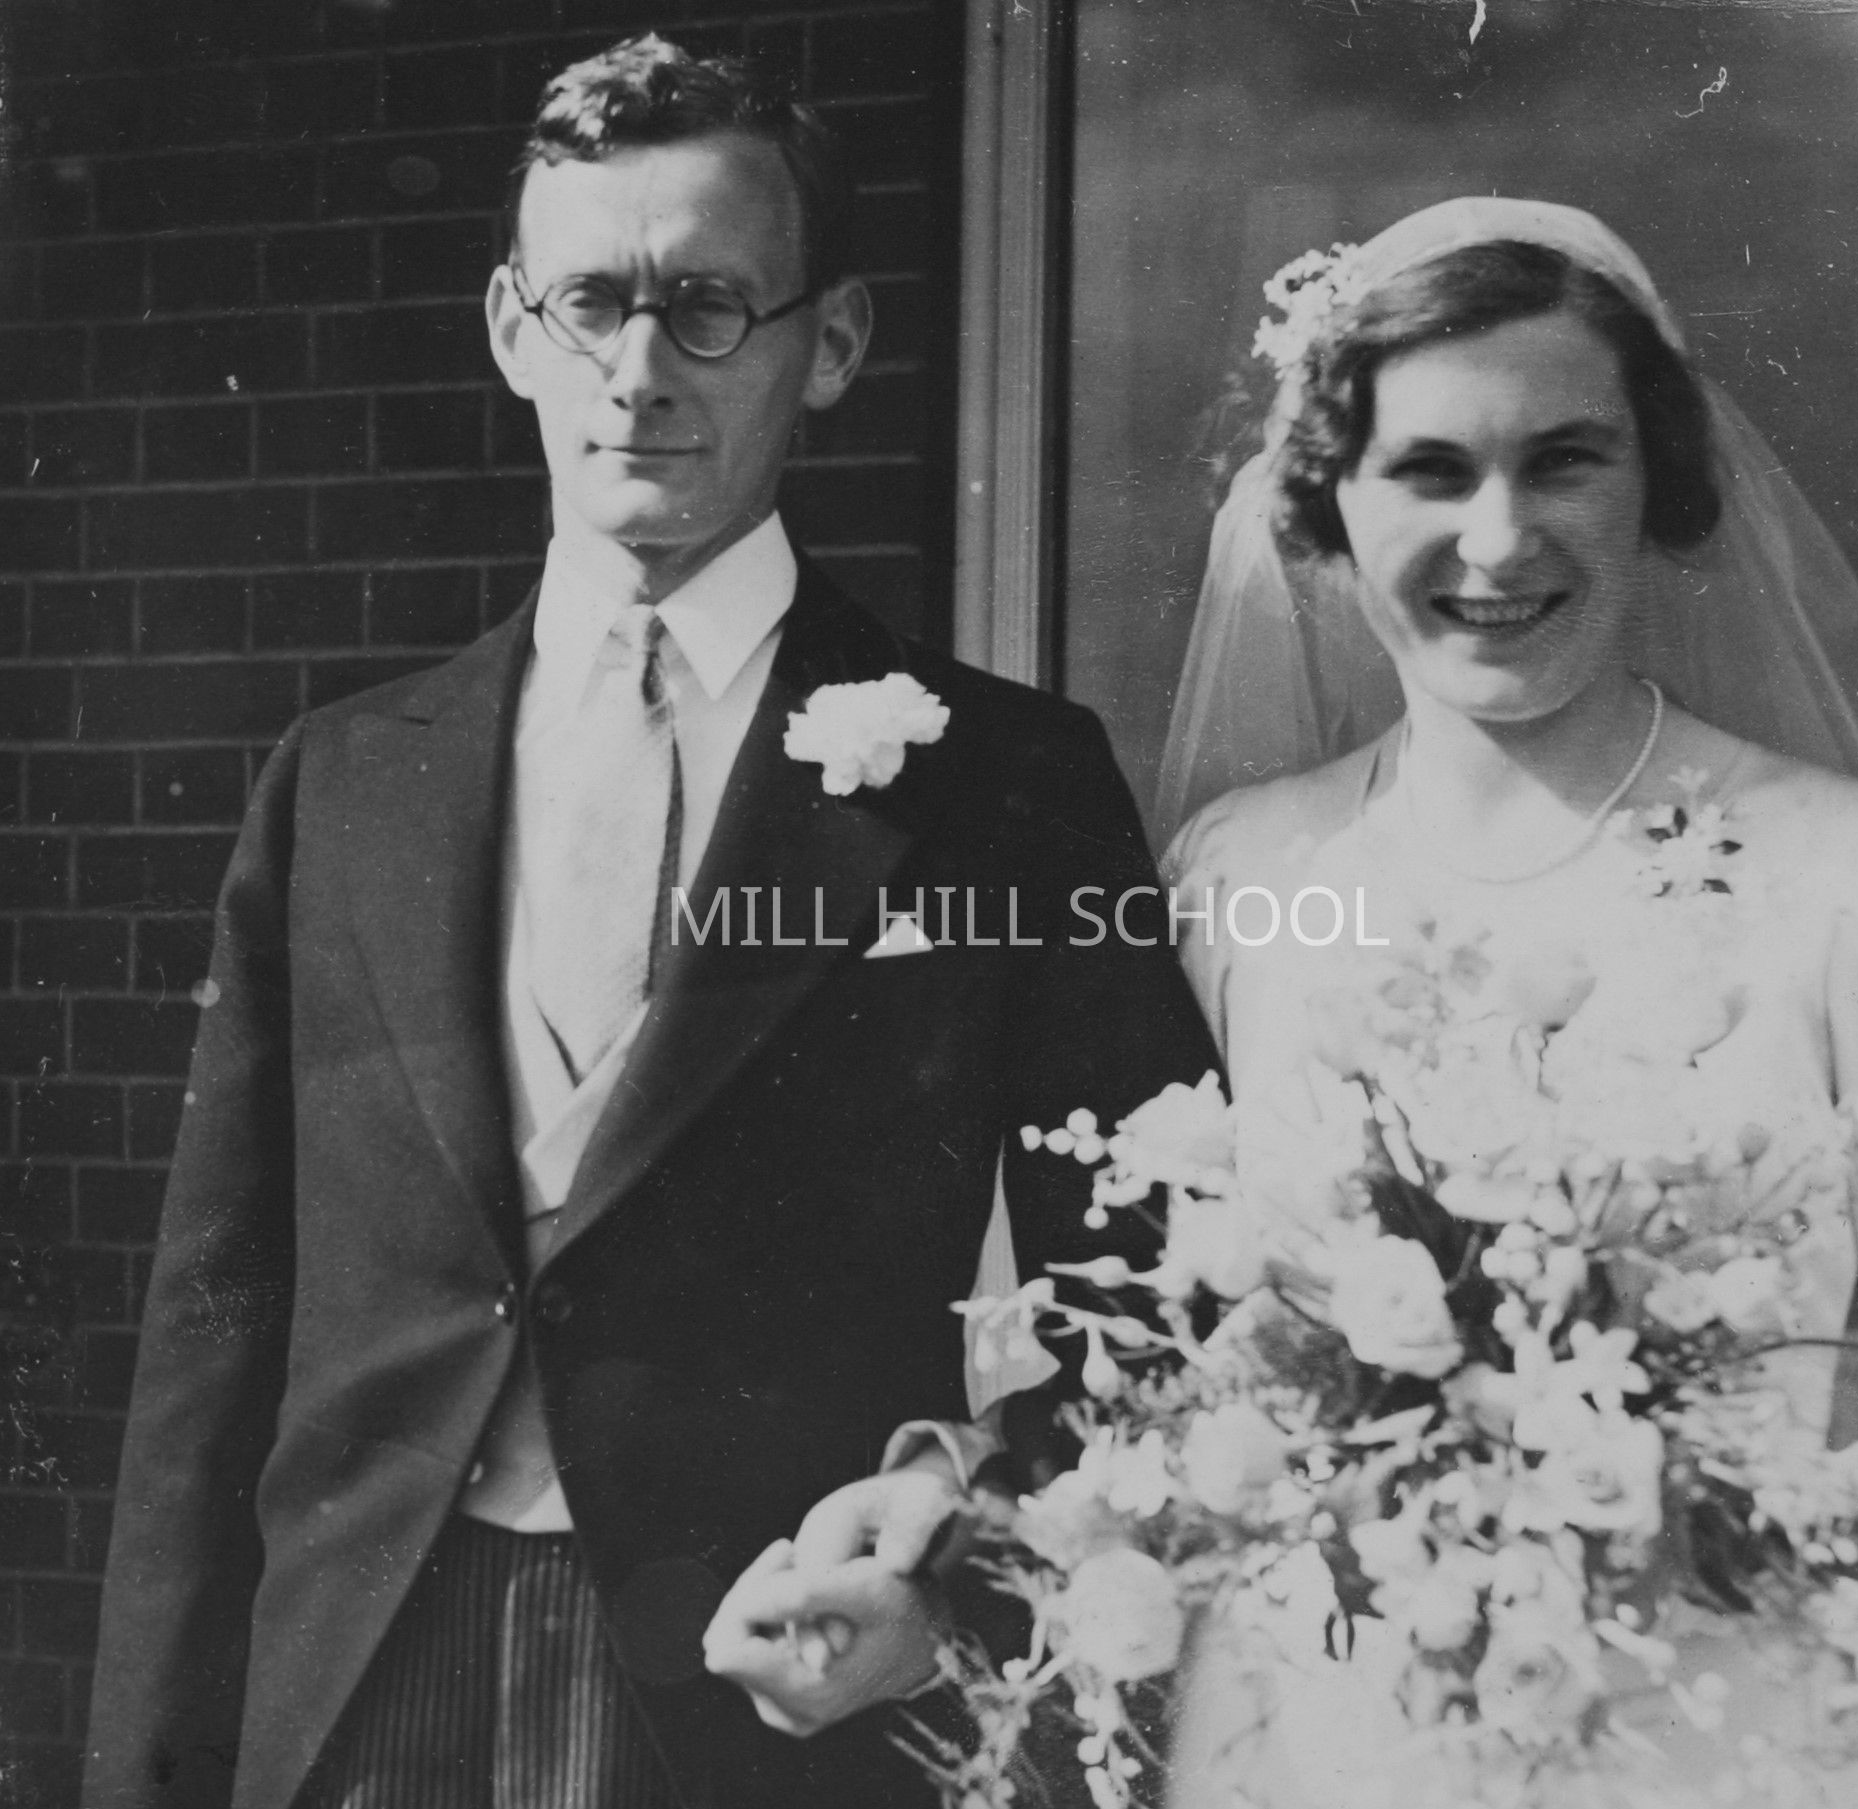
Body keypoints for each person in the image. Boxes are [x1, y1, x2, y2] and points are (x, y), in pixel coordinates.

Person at [83, 37, 1214, 1809]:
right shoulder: (343, 780)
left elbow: (1150, 1288)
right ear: (510, 328)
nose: (638, 369)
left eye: (706, 305)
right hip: (361, 1680)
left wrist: (961, 1580)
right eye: (590, 303)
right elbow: (213, 1330)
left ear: (828, 342)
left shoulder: (1006, 778)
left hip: (767, 1698)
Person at [1156, 197, 1858, 1801]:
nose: (1497, 541)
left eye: (1563, 460)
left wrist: (1751, 1530)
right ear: (1327, 497)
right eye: (1429, 470)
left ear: (1657, 480)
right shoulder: (1234, 879)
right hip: (1317, 1738)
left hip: (1728, 1738)